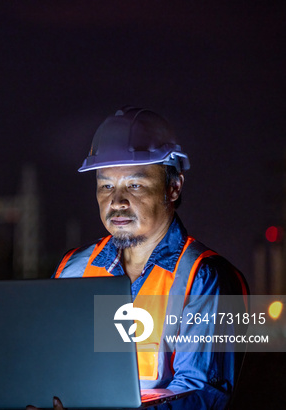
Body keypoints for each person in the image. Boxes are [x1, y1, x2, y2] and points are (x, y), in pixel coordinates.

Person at [28, 107, 249, 410]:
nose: (116, 202)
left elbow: (204, 395)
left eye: (134, 185)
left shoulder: (205, 277)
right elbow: (51, 363)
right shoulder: (73, 268)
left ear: (173, 188)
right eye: (106, 185)